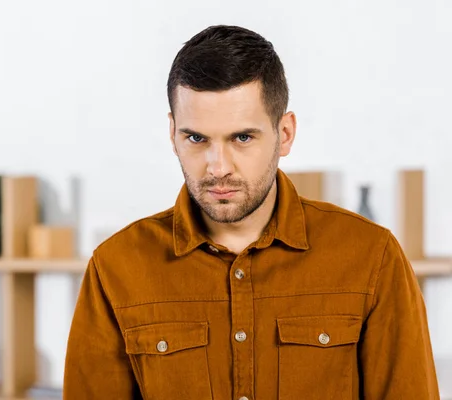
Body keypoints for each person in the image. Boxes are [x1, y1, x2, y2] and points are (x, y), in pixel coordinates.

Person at [63, 25, 439, 399]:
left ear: (285, 134)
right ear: (173, 134)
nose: (218, 167)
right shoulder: (115, 267)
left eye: (242, 137)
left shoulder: (372, 257)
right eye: (196, 138)